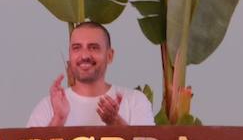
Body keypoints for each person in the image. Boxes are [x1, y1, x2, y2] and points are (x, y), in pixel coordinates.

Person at [25, 22, 155, 127]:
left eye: (93, 47)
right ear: (70, 55)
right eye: (77, 48)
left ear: (109, 56)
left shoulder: (135, 101)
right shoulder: (48, 106)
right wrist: (59, 118)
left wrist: (115, 122)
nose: (85, 55)